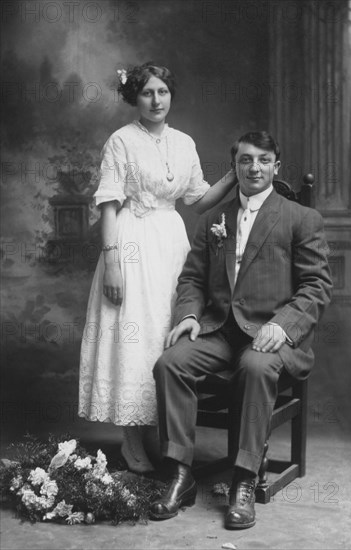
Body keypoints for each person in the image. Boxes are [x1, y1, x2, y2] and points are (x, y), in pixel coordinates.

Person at [149, 131, 333, 528]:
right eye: (246, 160)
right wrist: (188, 316)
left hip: (273, 336)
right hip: (219, 330)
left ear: (276, 166)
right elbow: (193, 279)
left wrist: (283, 327)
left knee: (254, 366)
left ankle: (244, 480)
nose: (255, 168)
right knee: (170, 364)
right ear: (234, 168)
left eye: (264, 160)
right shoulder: (214, 219)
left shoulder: (301, 218)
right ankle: (180, 472)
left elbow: (317, 286)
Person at [78, 62, 237, 473]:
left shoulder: (185, 142)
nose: (156, 100)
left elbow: (197, 199)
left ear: (171, 95)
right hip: (131, 242)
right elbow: (109, 204)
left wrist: (235, 176)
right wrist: (113, 263)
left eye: (163, 91)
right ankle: (132, 442)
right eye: (148, 92)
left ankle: (170, 439)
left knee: (169, 328)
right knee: (134, 333)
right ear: (136, 97)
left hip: (171, 242)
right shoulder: (121, 141)